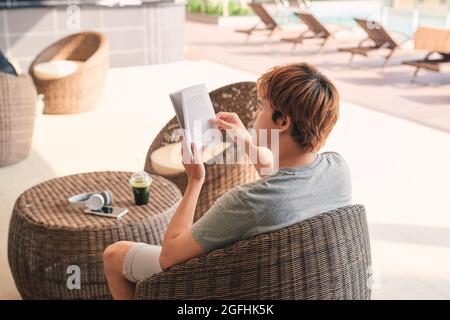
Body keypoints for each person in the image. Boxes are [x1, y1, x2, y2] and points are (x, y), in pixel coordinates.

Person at [103, 62, 351, 299]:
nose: (255, 114)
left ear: (283, 121)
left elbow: (168, 257)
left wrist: (195, 181)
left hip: (223, 285)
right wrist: (245, 140)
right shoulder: (338, 170)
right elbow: (284, 184)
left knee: (115, 254)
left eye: (261, 107)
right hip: (298, 283)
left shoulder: (246, 201)